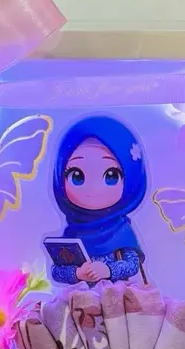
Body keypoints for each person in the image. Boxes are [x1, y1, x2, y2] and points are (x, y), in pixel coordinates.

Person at [49, 116, 147, 285]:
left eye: (111, 176)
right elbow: (57, 271)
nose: (93, 189)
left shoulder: (121, 230)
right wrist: (77, 273)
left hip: (115, 298)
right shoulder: (73, 232)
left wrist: (108, 270)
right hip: (79, 299)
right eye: (77, 176)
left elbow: (133, 264)